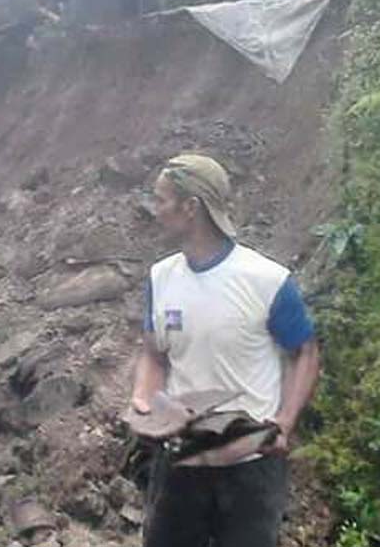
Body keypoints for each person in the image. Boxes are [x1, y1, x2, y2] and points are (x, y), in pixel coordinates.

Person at [131, 154, 321, 547]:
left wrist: (284, 423)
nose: (156, 210)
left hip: (249, 467)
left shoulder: (265, 280)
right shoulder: (161, 278)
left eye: (162, 199)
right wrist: (143, 400)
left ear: (191, 207)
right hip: (181, 459)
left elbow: (305, 352)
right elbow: (153, 354)